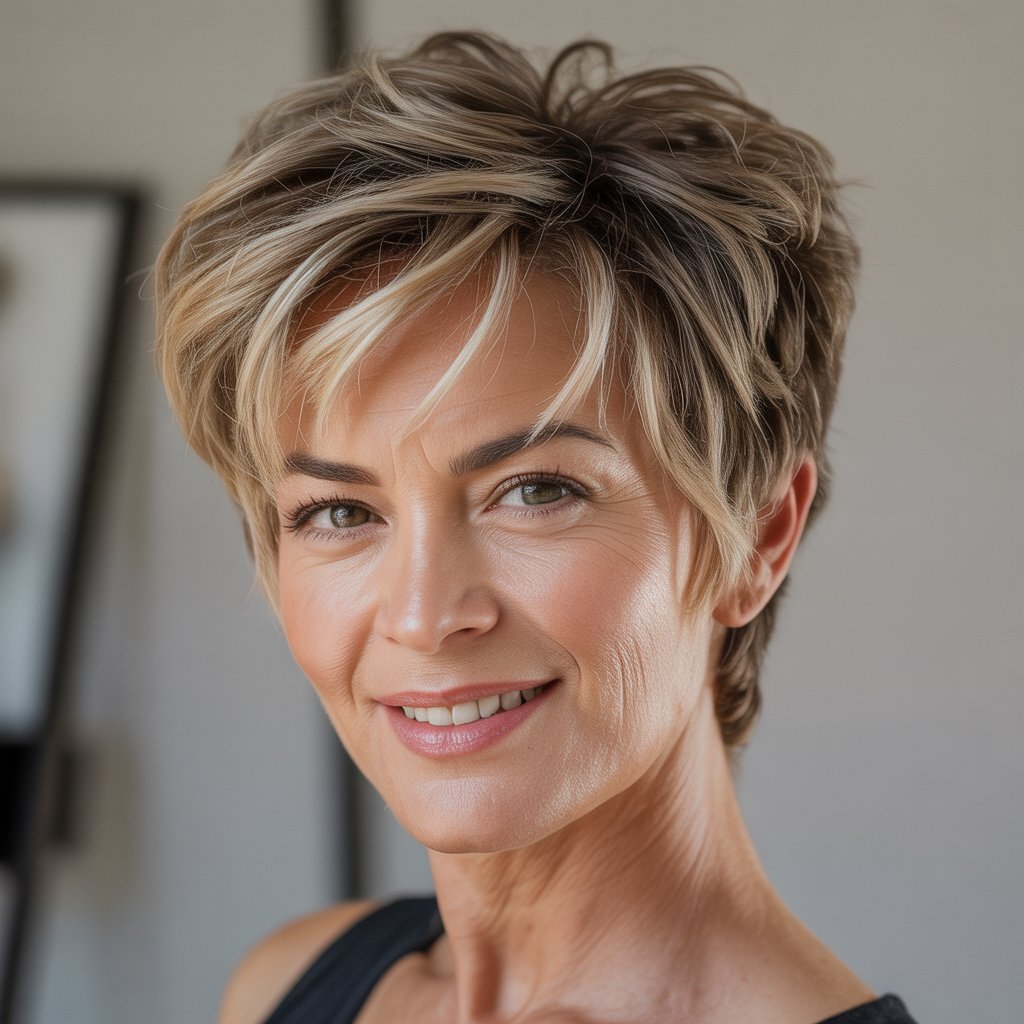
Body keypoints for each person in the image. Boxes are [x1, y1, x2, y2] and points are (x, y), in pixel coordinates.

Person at [155, 31, 919, 1024]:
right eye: (340, 511)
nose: (425, 617)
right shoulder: (282, 985)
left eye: (535, 491)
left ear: (757, 534)